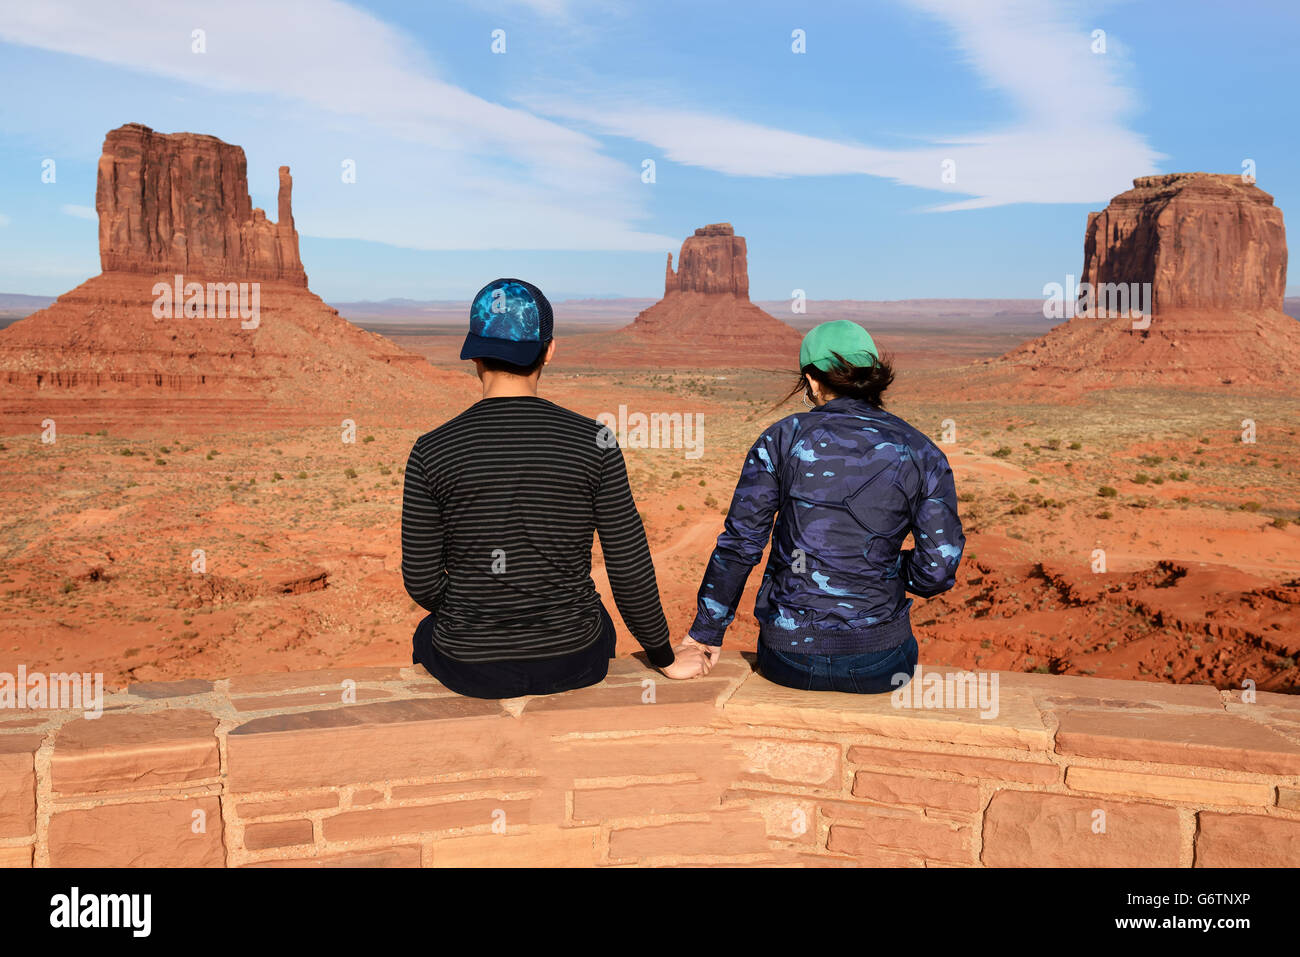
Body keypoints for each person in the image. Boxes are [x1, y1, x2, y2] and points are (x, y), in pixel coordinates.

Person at [401, 278, 711, 699]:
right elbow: (628, 565)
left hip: (471, 667)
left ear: (473, 354)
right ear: (549, 350)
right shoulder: (594, 441)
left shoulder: (432, 449)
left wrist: (477, 612)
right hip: (575, 657)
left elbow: (421, 582)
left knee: (427, 632)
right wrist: (665, 659)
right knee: (595, 615)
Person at [681, 319, 964, 693]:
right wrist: (879, 564)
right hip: (881, 660)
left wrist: (706, 634)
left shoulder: (782, 438)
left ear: (813, 381)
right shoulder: (921, 451)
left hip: (788, 658)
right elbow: (937, 570)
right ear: (873, 376)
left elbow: (741, 544)